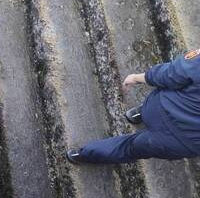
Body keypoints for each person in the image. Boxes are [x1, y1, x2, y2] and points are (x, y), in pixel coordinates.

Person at [67, 50, 200, 164]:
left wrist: (137, 78)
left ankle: (138, 114)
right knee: (130, 148)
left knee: (173, 91)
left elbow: (171, 74)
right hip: (182, 142)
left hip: (160, 108)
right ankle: (82, 155)